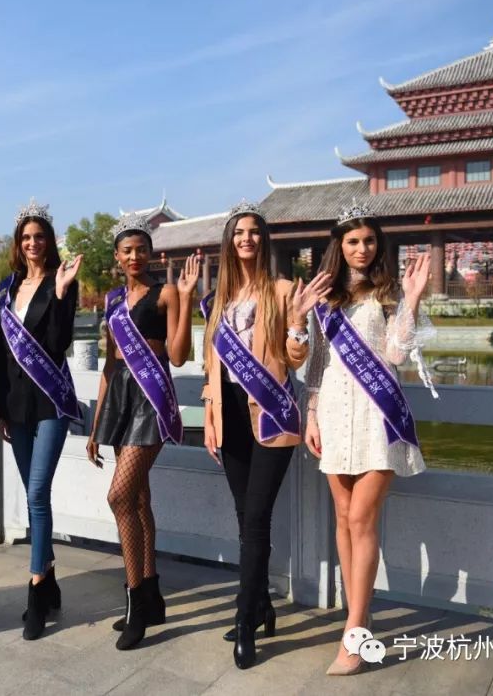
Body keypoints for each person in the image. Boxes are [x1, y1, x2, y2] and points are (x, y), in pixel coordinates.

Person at [302, 203, 435, 675]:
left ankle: (355, 633)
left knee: (361, 518)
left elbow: (396, 354)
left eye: (370, 241)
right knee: (343, 518)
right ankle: (357, 610)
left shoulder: (389, 291)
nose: (362, 249)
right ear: (339, 246)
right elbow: (317, 361)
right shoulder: (324, 294)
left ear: (379, 245)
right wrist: (312, 414)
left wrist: (412, 298)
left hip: (379, 414)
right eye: (353, 241)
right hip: (334, 412)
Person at [201, 199, 327, 669]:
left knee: (255, 518)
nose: (246, 238)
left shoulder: (283, 290)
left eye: (253, 231)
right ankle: (261, 605)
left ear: (263, 239)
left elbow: (295, 359)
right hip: (230, 416)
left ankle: (244, 618)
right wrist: (210, 417)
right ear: (229, 241)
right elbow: (211, 366)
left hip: (271, 413)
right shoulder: (219, 299)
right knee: (245, 517)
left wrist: (297, 323)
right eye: (238, 232)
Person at [85, 213, 200, 650]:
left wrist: (185, 299)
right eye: (127, 250)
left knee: (118, 497)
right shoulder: (114, 300)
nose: (135, 256)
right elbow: (109, 364)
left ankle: (135, 601)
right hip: (120, 398)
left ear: (151, 253)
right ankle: (151, 594)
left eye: (141, 250)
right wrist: (96, 424)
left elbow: (179, 355)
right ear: (117, 256)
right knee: (137, 499)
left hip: (151, 400)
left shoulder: (164, 293)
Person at [0, 199, 83, 640]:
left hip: (50, 400)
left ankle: (35, 591)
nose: (32, 243)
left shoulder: (61, 280)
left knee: (38, 492)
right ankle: (50, 581)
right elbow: (1, 351)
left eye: (39, 237)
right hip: (16, 403)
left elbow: (59, 343)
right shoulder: (6, 287)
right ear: (18, 242)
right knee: (32, 497)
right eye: (26, 237)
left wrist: (61, 294)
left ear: (49, 241)